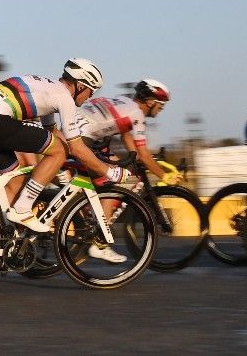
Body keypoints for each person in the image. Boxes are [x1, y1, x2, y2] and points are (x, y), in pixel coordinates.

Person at [0, 58, 103, 233]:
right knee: (58, 152)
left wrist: (84, 152)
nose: (91, 96)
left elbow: (53, 132)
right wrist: (109, 171)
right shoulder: (63, 97)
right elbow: (72, 146)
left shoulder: (50, 89)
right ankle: (23, 208)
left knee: (16, 182)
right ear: (81, 85)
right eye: (91, 91)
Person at [68, 78, 173, 262]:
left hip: (81, 133)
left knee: (118, 171)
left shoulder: (125, 100)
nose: (161, 109)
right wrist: (165, 175)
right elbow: (144, 155)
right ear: (150, 101)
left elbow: (126, 133)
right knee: (128, 182)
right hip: (85, 140)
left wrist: (133, 155)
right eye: (160, 105)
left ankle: (90, 218)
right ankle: (99, 242)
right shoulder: (138, 115)